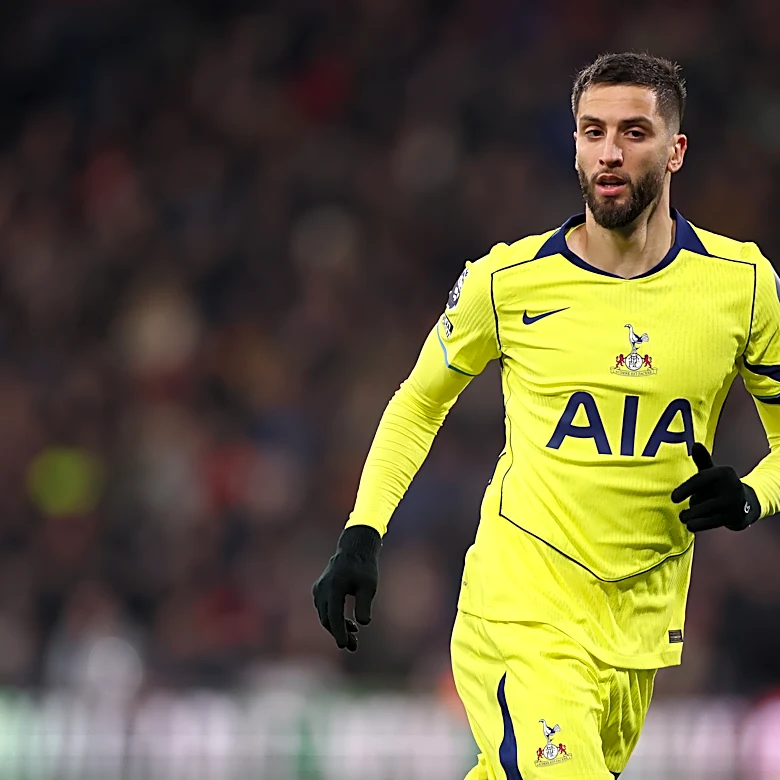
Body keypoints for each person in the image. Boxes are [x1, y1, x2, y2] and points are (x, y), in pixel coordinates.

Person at [312, 51, 780, 779]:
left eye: (633, 132)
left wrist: (752, 495)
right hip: (521, 610)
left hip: (640, 630)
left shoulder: (742, 288)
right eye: (592, 132)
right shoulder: (508, 281)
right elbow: (419, 402)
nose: (610, 152)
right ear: (573, 144)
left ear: (676, 149)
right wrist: (362, 533)